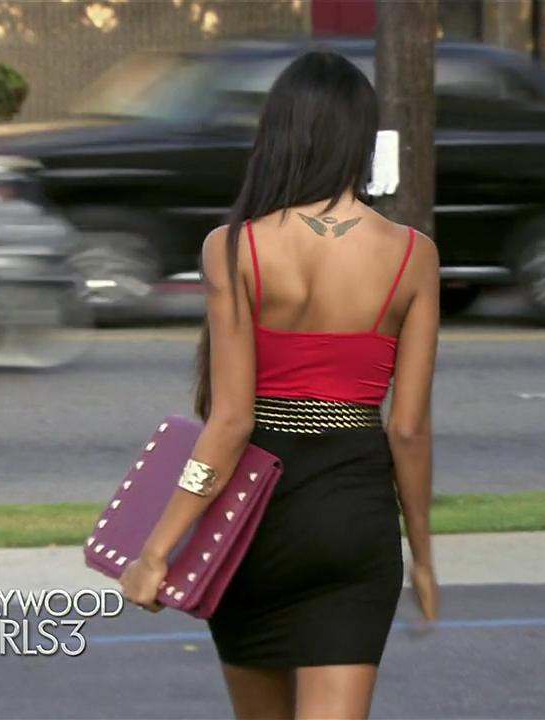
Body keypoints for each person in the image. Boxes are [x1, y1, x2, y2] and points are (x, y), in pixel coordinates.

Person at [118, 47, 441, 720]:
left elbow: (230, 423)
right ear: (362, 138)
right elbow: (408, 430)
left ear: (278, 135)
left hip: (256, 524)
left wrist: (157, 548)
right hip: (355, 522)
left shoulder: (233, 247)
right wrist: (423, 555)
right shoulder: (414, 254)